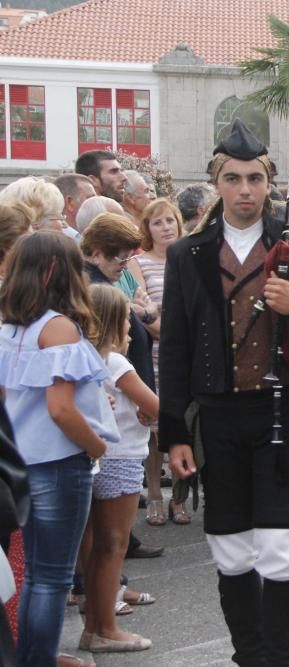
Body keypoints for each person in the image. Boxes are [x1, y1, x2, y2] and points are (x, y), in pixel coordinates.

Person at [158, 119, 289, 665]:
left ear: (270, 183)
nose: (245, 190)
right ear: (217, 182)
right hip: (216, 417)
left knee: (283, 550)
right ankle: (249, 657)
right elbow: (174, 351)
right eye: (234, 179)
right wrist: (174, 432)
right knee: (232, 549)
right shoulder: (187, 254)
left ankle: (283, 659)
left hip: (283, 414)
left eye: (255, 179)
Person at [0, 232, 114, 667]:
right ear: (57, 271)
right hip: (59, 462)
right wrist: (97, 445)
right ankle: (38, 660)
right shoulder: (59, 327)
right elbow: (61, 410)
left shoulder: (9, 326)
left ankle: (31, 657)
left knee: (34, 577)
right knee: (52, 578)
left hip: (20, 464)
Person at [77, 285, 155, 654]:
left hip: (95, 457)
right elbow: (156, 406)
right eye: (126, 319)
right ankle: (105, 626)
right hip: (121, 457)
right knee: (114, 545)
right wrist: (153, 412)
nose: (129, 326)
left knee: (94, 545)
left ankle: (93, 622)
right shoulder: (116, 362)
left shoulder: (85, 357)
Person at [127, 198, 187, 525]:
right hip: (155, 352)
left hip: (186, 354)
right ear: (147, 229)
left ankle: (179, 496)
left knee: (182, 423)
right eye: (157, 222)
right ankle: (153, 492)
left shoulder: (189, 258)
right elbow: (141, 308)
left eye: (170, 221)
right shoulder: (140, 263)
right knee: (154, 428)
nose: (165, 228)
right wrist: (165, 331)